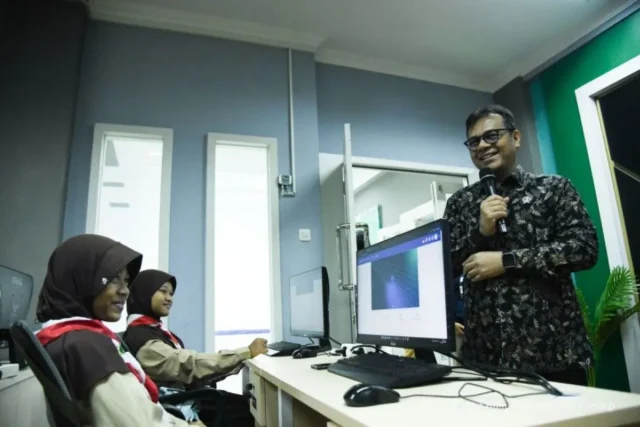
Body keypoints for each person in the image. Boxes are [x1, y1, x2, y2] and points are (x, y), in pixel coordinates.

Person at [444, 104, 597, 385]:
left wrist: (507, 261)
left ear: (515, 137)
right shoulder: (459, 203)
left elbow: (583, 249)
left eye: (492, 136)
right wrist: (480, 232)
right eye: (474, 141)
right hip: (484, 357)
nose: (482, 146)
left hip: (553, 354)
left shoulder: (554, 188)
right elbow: (446, 266)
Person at [35, 234, 203, 427]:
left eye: (126, 281)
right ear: (82, 278)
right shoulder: (86, 347)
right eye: (114, 279)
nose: (125, 290)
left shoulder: (68, 337)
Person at [123, 269, 268, 427]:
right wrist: (244, 353)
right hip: (180, 406)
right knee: (253, 411)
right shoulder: (142, 339)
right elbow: (188, 365)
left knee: (251, 405)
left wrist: (237, 360)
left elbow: (189, 371)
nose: (169, 298)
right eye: (163, 291)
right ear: (144, 294)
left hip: (187, 397)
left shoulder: (153, 330)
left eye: (171, 293)